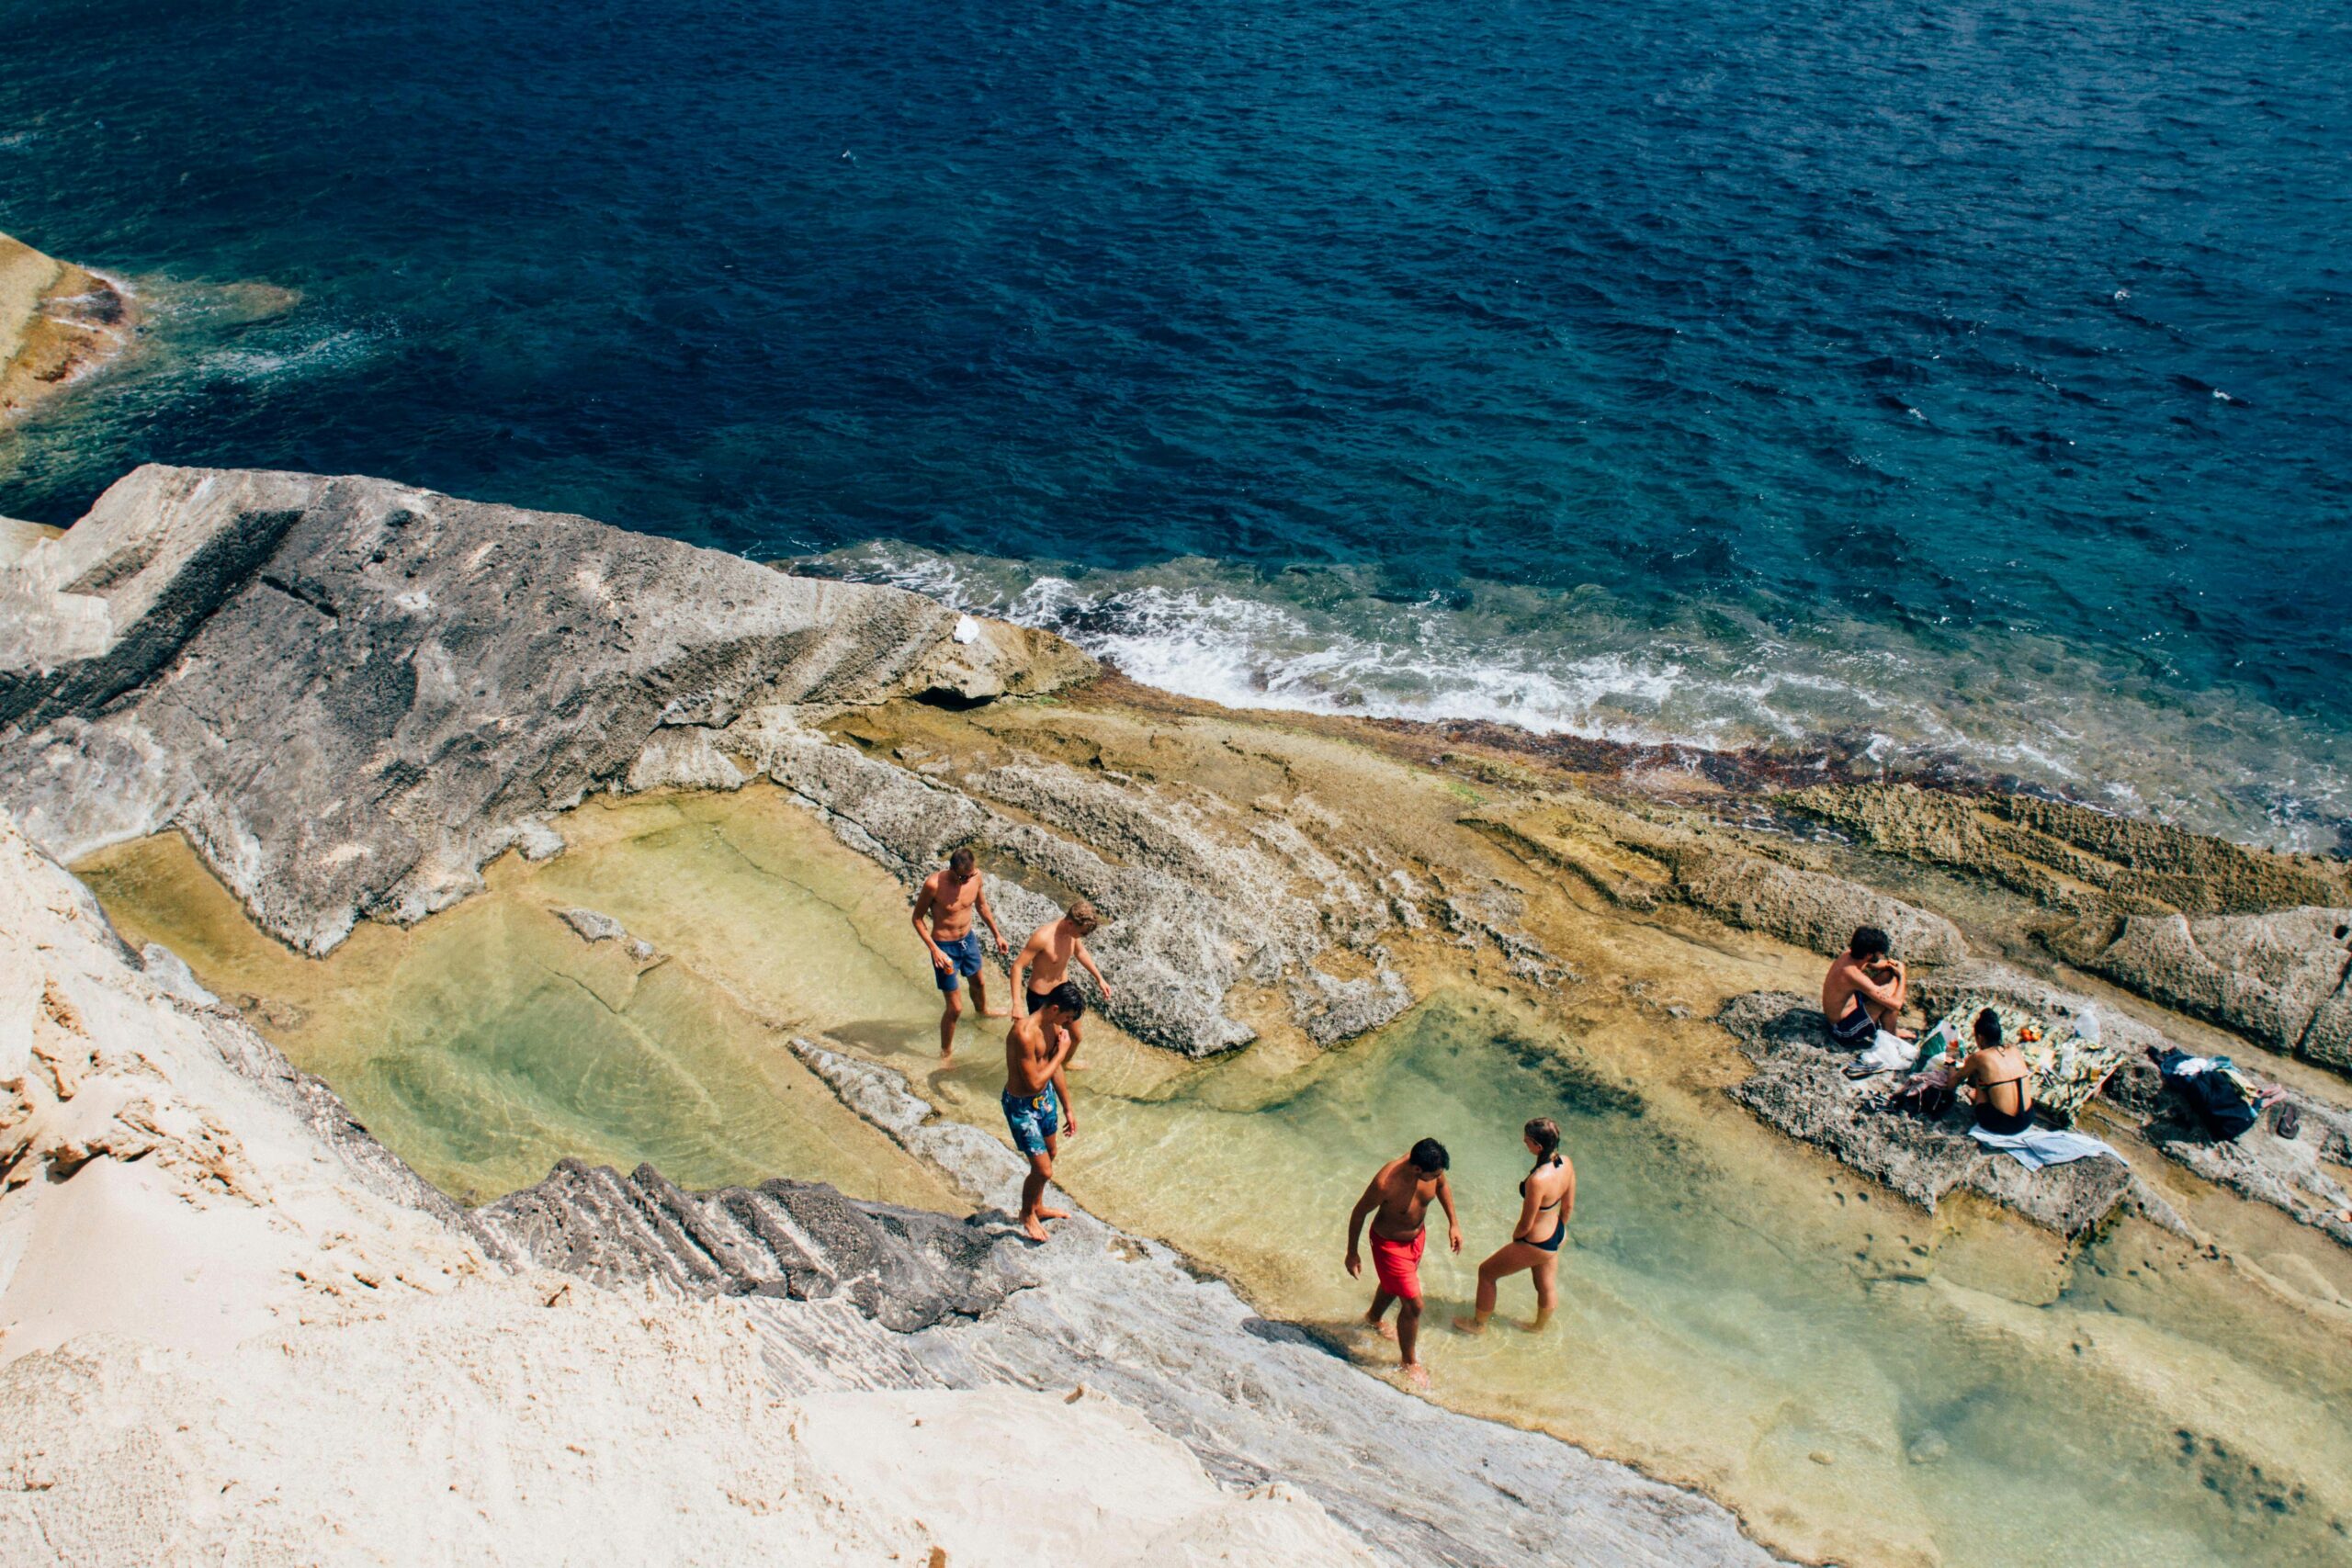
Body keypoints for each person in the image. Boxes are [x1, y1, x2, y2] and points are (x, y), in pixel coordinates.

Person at [1344, 1138, 1461, 1387]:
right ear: (1417, 1169)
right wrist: (1352, 1253)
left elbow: (1442, 1187)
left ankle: (1373, 1318)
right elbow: (1359, 1213)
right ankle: (1409, 1362)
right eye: (1434, 1175)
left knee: (1392, 1286)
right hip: (1390, 1247)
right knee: (1414, 1305)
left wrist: (1454, 1223)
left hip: (1417, 1239)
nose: (1438, 1178)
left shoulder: (1431, 1165)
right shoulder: (1386, 1183)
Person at [1454, 1118, 1573, 1337]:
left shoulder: (1537, 1180)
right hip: (1556, 1234)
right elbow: (1568, 1205)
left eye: (1527, 1140)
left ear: (1538, 1146)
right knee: (1546, 1285)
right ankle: (1538, 1328)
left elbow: (1526, 1223)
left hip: (1534, 1241)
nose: (1524, 1142)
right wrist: (1559, 1230)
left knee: (1487, 1272)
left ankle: (1478, 1325)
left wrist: (1517, 1239)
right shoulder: (1565, 1162)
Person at [1003, 981, 1085, 1242]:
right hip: (1022, 1106)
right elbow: (1034, 1082)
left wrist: (1068, 1108)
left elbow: (1053, 1071)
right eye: (1068, 1017)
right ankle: (1026, 1214)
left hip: (1044, 1100)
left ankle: (1037, 1206)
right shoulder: (1024, 1034)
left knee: (1051, 1153)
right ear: (1055, 1008)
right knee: (1043, 1170)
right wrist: (1061, 1053)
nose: (1069, 1023)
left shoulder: (1053, 1026)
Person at [911, 847, 1010, 1058]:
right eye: (963, 877)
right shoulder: (934, 885)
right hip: (945, 948)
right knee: (955, 1008)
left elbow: (982, 906)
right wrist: (934, 950)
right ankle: (945, 1052)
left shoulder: (975, 877)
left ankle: (982, 1012)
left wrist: (997, 935)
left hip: (968, 941)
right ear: (953, 870)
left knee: (979, 983)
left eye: (971, 875)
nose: (967, 880)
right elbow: (917, 919)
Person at [1011, 900, 1113, 1068]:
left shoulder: (1072, 935)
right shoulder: (1043, 937)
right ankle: (1047, 1072)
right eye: (1082, 933)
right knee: (1049, 1045)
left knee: (1075, 1037)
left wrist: (1099, 978)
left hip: (1064, 992)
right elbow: (1017, 966)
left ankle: (1062, 1066)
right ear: (1071, 923)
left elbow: (1080, 952)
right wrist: (1016, 1004)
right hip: (1042, 998)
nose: (1082, 936)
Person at [1947, 1007, 2035, 1134]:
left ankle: (1976, 1099)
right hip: (2028, 1118)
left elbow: (1951, 1084)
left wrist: (1950, 1062)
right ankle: (1981, 1097)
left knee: (1979, 1074)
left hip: (2003, 1124)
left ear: (1980, 1038)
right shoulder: (2014, 1050)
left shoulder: (1979, 1057)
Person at [1822, 925, 1912, 1048]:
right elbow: (1897, 1004)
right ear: (1869, 954)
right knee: (1887, 1002)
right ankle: (1891, 1038)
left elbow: (1883, 965)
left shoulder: (1850, 955)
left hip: (1854, 1006)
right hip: (1842, 1029)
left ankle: (1890, 1031)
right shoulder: (1853, 974)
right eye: (1880, 953)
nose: (1882, 955)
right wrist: (1902, 976)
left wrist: (1895, 966)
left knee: (1888, 975)